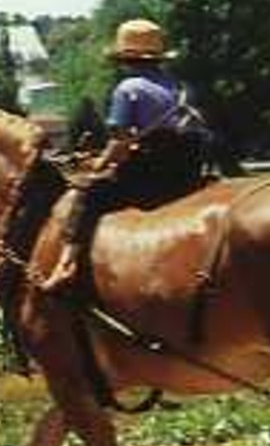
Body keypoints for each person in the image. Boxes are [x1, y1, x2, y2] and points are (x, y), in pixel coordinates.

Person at [40, 18, 210, 292]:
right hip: (187, 172)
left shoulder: (128, 89)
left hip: (152, 176)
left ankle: (66, 264)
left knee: (89, 193)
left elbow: (119, 142)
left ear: (124, 59)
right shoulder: (180, 88)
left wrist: (100, 164)